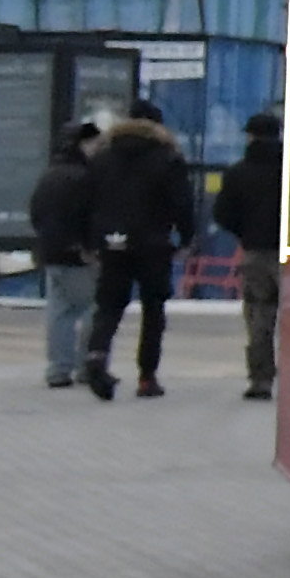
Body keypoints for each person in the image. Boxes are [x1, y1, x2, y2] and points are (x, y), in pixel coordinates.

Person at [79, 105, 199, 401]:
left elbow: (86, 201)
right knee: (153, 309)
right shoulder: (168, 157)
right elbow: (181, 202)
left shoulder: (103, 157)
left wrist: (89, 241)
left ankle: (97, 355)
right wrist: (186, 238)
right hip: (153, 243)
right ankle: (147, 377)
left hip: (112, 243)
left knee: (108, 305)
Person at [219, 106, 287, 402]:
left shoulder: (237, 173)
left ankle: (261, 380)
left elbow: (222, 213)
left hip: (255, 253)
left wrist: (245, 233)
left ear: (250, 137)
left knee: (259, 317)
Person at [25, 135, 97, 387]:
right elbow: (88, 216)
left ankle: (58, 369)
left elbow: (35, 213)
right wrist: (89, 246)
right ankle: (88, 366)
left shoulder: (50, 175)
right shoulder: (85, 178)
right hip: (78, 255)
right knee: (93, 306)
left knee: (60, 312)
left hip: (51, 252)